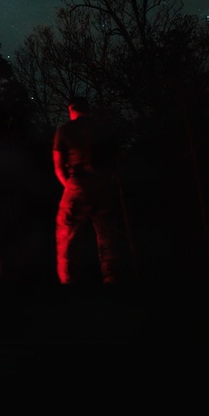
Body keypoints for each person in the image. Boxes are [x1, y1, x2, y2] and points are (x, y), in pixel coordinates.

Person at [53, 96, 120, 284]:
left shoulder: (65, 131)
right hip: (103, 184)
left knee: (66, 234)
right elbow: (114, 159)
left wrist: (70, 186)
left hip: (78, 183)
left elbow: (58, 166)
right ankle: (112, 278)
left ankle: (68, 281)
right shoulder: (101, 129)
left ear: (71, 110)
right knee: (107, 236)